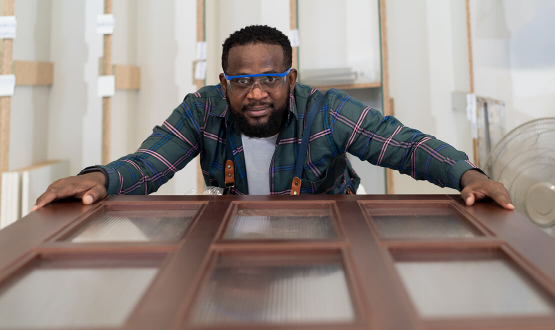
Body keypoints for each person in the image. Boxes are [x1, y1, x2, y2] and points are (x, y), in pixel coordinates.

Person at [32, 25, 513, 211]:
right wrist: (96, 177)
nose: (257, 93)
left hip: (331, 233)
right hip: (236, 232)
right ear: (224, 84)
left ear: (292, 78)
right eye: (242, 82)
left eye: (272, 79)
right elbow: (150, 161)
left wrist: (469, 174)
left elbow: (404, 145)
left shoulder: (324, 109)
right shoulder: (202, 109)